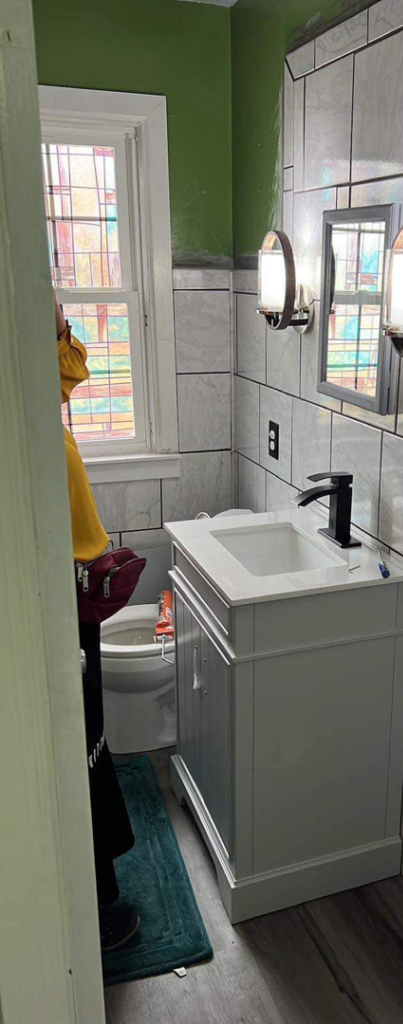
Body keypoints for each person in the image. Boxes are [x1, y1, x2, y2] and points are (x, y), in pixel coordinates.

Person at [56, 295, 140, 953]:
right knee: (83, 748)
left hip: (75, 592)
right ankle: (91, 912)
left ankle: (98, 893)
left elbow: (73, 367)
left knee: (90, 742)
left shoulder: (34, 398)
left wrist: (56, 323)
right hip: (60, 597)